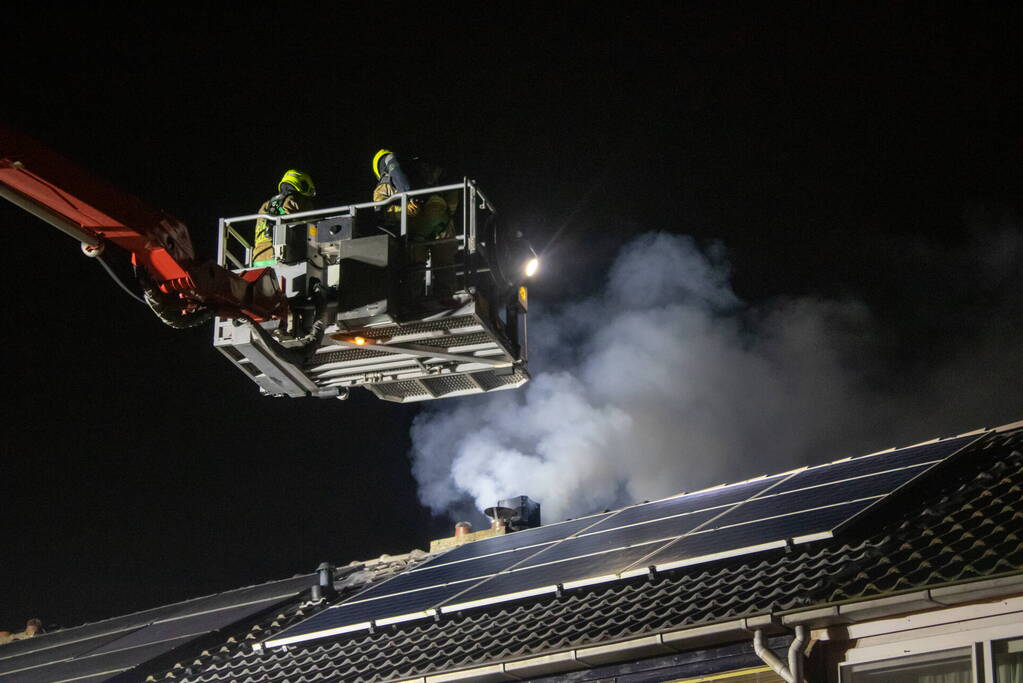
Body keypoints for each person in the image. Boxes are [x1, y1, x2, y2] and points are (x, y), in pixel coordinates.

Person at [372, 150, 459, 301]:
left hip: (415, 232)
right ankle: (444, 297)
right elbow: (452, 199)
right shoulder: (429, 174)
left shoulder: (385, 187)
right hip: (438, 222)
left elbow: (383, 213)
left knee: (416, 264)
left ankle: (414, 300)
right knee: (442, 259)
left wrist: (403, 210)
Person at [253, 169, 316, 267]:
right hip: (283, 258)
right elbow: (310, 225)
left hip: (259, 259)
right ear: (302, 185)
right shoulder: (297, 201)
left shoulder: (266, 205)